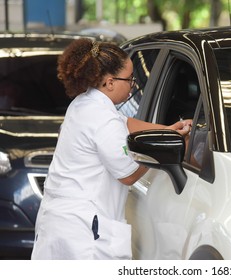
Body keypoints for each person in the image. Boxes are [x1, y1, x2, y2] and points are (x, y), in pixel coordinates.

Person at [31, 39, 191, 260]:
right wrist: (166, 148)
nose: (133, 85)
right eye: (130, 79)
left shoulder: (85, 103)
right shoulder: (102, 117)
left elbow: (124, 122)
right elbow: (128, 174)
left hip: (60, 220)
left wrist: (168, 130)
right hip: (84, 231)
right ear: (109, 82)